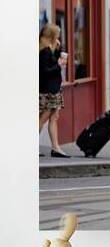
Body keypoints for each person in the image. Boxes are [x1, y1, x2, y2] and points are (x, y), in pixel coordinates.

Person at [38, 24, 69, 158]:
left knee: (54, 117)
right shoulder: (44, 51)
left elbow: (53, 62)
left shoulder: (49, 50)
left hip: (54, 89)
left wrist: (58, 49)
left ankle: (56, 147)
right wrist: (59, 65)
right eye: (57, 35)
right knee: (43, 118)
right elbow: (44, 72)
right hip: (48, 90)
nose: (58, 37)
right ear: (51, 36)